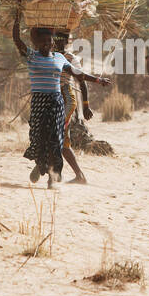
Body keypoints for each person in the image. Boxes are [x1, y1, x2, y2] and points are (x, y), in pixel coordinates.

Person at [12, 11, 110, 187]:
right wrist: (17, 18)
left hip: (57, 102)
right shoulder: (32, 57)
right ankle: (42, 166)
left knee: (56, 139)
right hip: (39, 104)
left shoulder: (59, 58)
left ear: (52, 43)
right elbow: (17, 40)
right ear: (37, 43)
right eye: (43, 41)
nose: (46, 44)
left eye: (49, 41)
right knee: (39, 138)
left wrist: (98, 80)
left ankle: (53, 176)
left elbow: (78, 74)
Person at [53, 30, 94, 184]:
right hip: (53, 98)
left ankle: (60, 173)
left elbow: (81, 81)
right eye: (55, 40)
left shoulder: (71, 58)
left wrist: (86, 105)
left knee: (60, 137)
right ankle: (75, 175)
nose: (57, 43)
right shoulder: (48, 55)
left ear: (65, 42)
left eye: (61, 40)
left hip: (65, 99)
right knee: (60, 139)